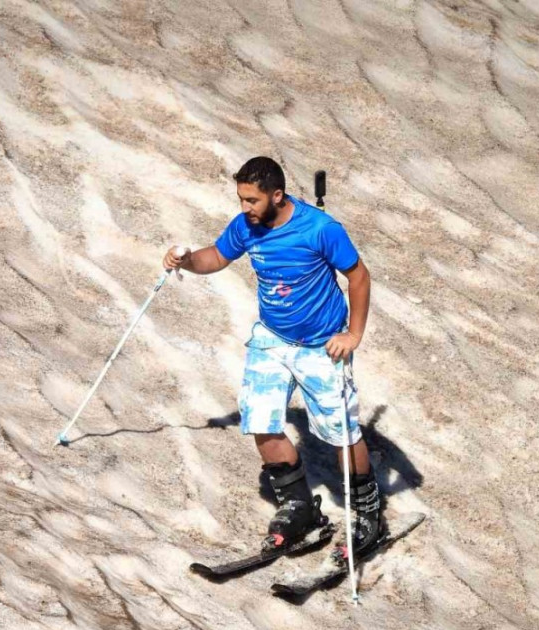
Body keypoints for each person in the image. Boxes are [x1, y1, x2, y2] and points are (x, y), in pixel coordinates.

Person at [162, 157, 382, 559]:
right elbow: (216, 257)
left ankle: (367, 511)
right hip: (272, 339)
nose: (244, 208)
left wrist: (353, 334)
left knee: (340, 431)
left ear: (277, 196)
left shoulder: (320, 229)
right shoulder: (247, 225)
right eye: (241, 199)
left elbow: (359, 276)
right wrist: (187, 260)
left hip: (322, 344)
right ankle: (299, 508)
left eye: (251, 200)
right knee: (260, 418)